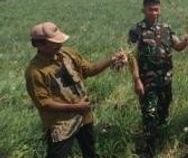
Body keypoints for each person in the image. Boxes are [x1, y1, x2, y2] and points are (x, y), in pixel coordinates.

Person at [25, 22, 126, 158]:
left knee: (89, 152)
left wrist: (112, 59)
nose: (59, 45)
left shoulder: (68, 54)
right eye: (54, 43)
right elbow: (44, 103)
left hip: (84, 116)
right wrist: (75, 107)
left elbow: (90, 70)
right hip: (61, 124)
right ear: (39, 45)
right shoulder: (35, 71)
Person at [128, 0, 188, 156]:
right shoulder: (136, 31)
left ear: (160, 10)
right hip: (147, 81)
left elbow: (178, 46)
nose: (153, 13)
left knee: (163, 111)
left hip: (166, 80)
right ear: (143, 10)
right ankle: (150, 148)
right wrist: (136, 79)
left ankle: (160, 136)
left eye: (156, 9)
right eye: (150, 9)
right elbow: (131, 56)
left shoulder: (166, 28)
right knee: (149, 113)